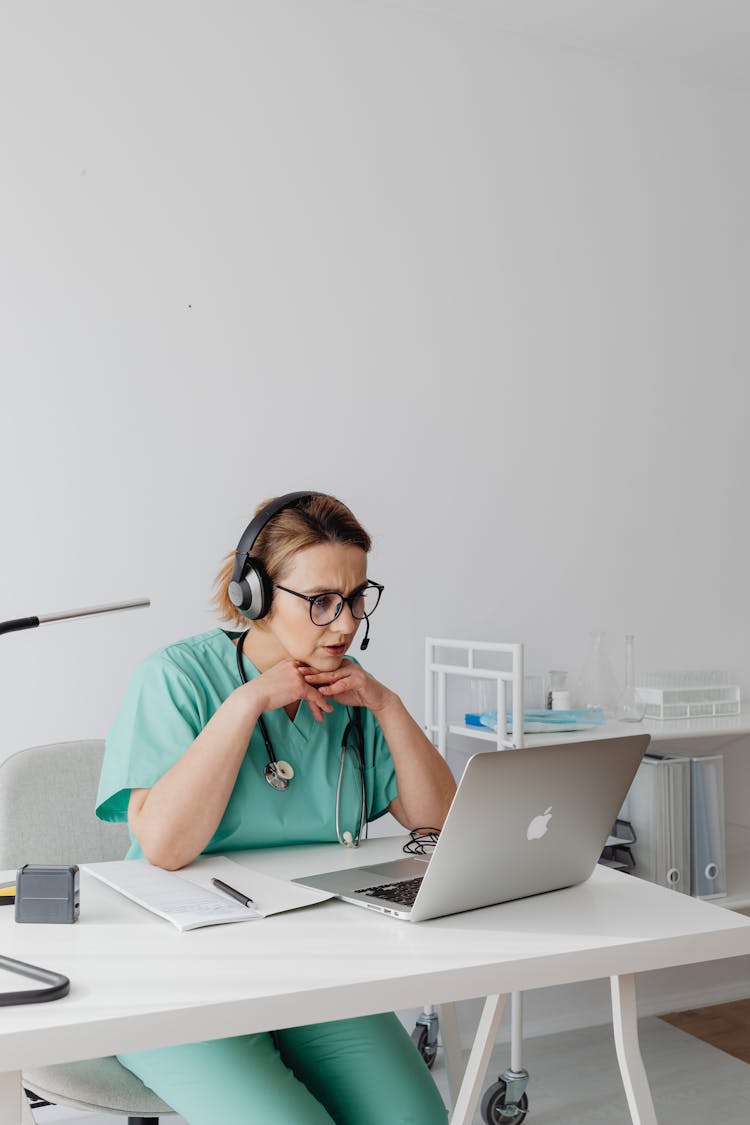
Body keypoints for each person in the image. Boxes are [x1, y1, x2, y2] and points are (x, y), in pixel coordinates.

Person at [95, 491, 456, 1125]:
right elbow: (167, 847)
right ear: (254, 597)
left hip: (311, 969)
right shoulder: (176, 678)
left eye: (355, 598)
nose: (344, 624)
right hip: (174, 982)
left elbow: (440, 822)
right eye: (321, 602)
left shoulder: (350, 690)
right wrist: (246, 704)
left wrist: (389, 706)